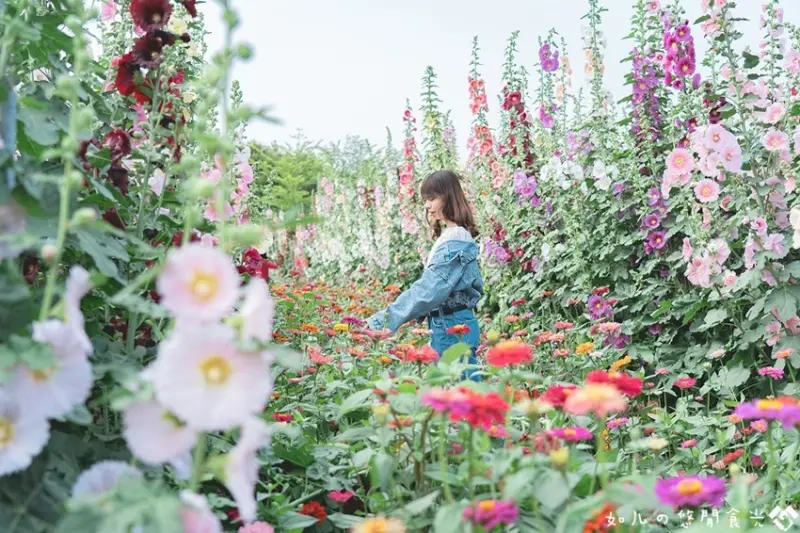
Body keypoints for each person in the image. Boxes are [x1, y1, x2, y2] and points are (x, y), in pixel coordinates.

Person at [366, 170, 484, 380]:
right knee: (452, 398)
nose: (427, 206)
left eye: (432, 198)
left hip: (453, 326)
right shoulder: (451, 236)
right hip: (447, 323)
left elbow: (430, 290)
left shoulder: (455, 240)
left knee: (461, 400)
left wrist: (384, 321)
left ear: (448, 197)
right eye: (425, 200)